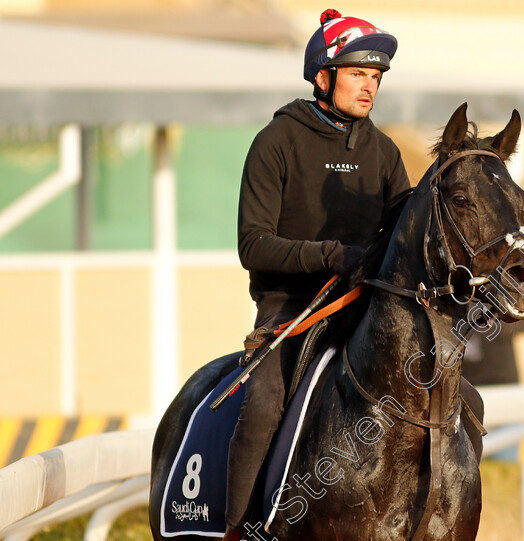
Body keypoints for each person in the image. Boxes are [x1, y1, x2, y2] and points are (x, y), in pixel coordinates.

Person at [224, 9, 410, 539]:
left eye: (375, 78)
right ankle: (238, 530)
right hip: (292, 312)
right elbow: (252, 245)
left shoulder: (385, 151)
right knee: (261, 406)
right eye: (358, 75)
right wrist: (330, 254)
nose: (369, 87)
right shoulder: (276, 142)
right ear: (323, 77)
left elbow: (404, 234)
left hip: (367, 310)